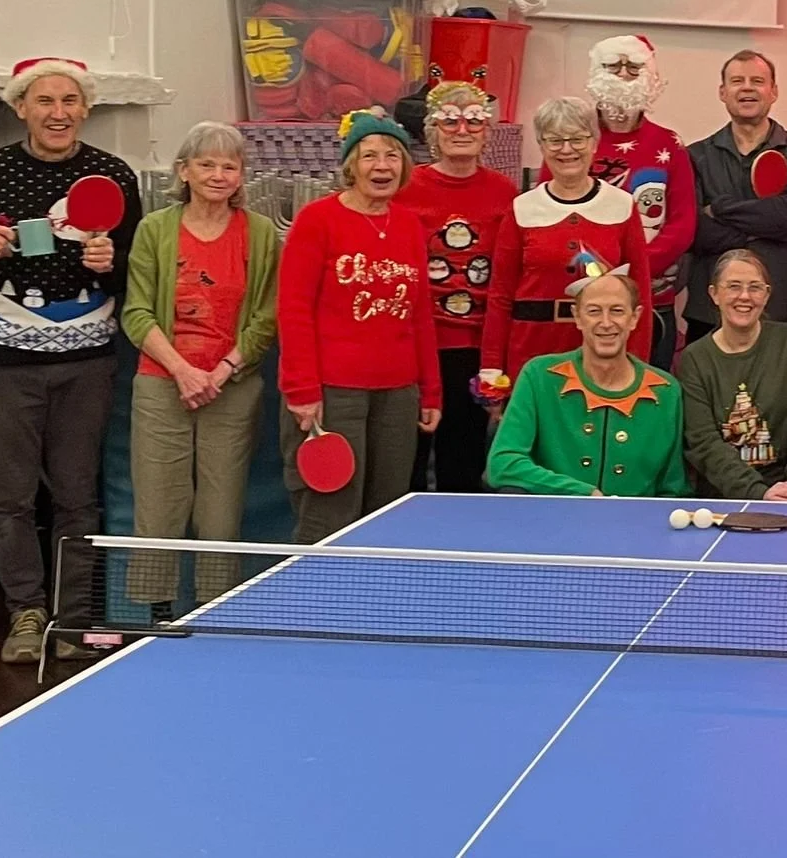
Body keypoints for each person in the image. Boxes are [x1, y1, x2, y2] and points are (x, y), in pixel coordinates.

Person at [0, 57, 143, 664]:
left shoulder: (112, 173)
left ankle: (72, 613)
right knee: (10, 495)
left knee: (76, 494)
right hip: (2, 359)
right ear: (21, 110)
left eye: (69, 101)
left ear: (85, 109)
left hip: (87, 359)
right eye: (45, 101)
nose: (58, 112)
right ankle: (24, 613)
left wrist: (107, 265)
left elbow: (136, 268)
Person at [120, 122, 279, 608]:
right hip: (160, 384)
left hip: (231, 387)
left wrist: (223, 370)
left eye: (229, 166)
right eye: (206, 164)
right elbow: (136, 311)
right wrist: (182, 371)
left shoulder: (260, 232)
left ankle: (216, 608)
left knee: (221, 512)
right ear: (183, 171)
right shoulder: (155, 229)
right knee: (158, 505)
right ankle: (155, 613)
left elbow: (267, 315)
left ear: (241, 176)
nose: (218, 174)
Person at [277, 110, 441, 544]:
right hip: (333, 393)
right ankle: (310, 607)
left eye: (392, 155)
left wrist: (431, 390)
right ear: (351, 165)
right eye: (369, 155)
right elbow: (293, 309)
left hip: (397, 395)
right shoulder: (317, 220)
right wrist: (302, 391)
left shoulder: (408, 224)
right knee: (329, 514)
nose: (382, 165)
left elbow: (420, 314)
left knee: (385, 516)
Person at [479, 96, 654, 399]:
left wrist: (637, 365)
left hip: (602, 351)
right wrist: (492, 371)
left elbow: (641, 292)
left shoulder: (622, 206)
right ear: (542, 146)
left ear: (594, 143)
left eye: (577, 139)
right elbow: (500, 296)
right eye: (555, 140)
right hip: (530, 351)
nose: (567, 149)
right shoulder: (522, 208)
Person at [398, 81, 520, 493]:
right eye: (450, 121)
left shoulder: (505, 192)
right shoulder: (405, 187)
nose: (462, 129)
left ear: (487, 131)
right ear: (433, 129)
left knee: (464, 464)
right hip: (417, 345)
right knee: (407, 463)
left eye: (473, 120)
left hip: (475, 348)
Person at [487, 275, 690, 497]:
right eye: (594, 311)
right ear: (577, 317)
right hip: (551, 522)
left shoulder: (666, 390)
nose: (605, 322)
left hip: (634, 526)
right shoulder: (539, 376)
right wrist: (584, 493)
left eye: (617, 311)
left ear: (635, 317)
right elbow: (503, 463)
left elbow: (674, 487)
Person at [684, 50, 787, 341]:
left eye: (757, 81)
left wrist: (719, 208)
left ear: (773, 92)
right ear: (723, 92)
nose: (747, 87)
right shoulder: (695, 156)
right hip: (710, 316)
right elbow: (697, 232)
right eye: (737, 80)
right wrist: (767, 229)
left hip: (784, 311)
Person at [579, 34, 697, 370]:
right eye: (613, 67)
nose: (623, 76)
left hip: (651, 302)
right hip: (587, 300)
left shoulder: (669, 144)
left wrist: (633, 270)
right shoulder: (574, 141)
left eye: (633, 68)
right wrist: (599, 275)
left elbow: (683, 224)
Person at [675, 251, 787, 501]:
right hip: (724, 497)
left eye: (755, 288)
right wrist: (757, 492)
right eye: (733, 286)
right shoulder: (695, 358)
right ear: (714, 294)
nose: (744, 296)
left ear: (766, 295)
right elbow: (703, 442)